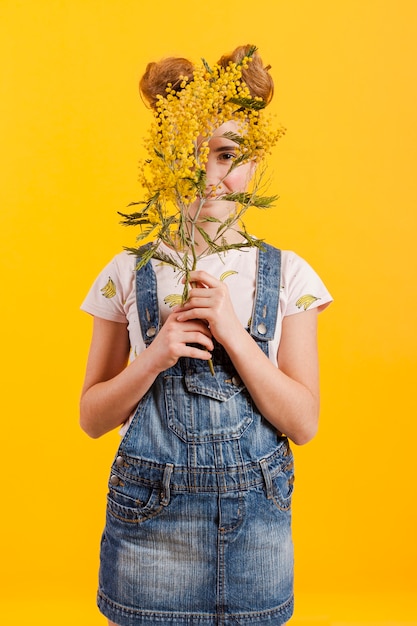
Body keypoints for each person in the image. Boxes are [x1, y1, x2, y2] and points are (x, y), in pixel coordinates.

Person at [80, 44, 332, 626]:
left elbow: (304, 422)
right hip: (149, 523)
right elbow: (92, 417)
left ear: (255, 163)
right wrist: (153, 359)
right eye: (187, 154)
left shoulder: (288, 275)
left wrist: (232, 333)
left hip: (257, 533)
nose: (208, 175)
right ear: (162, 161)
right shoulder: (128, 271)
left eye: (227, 154)